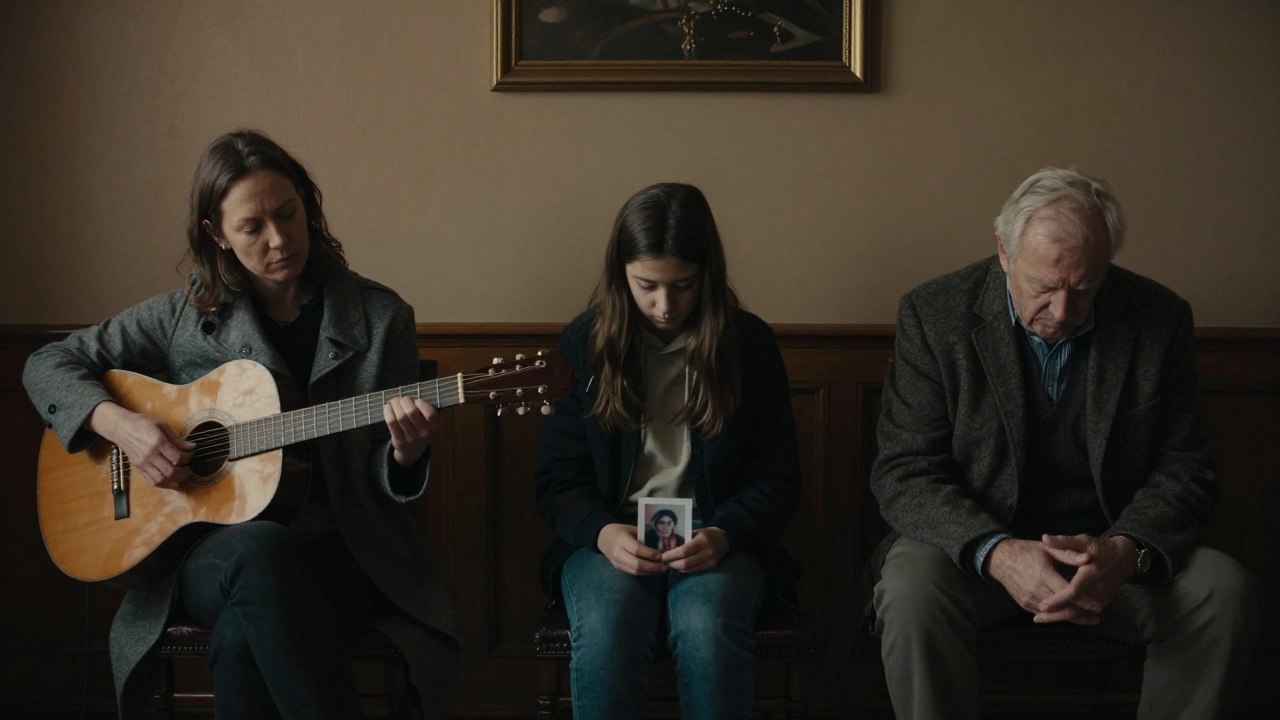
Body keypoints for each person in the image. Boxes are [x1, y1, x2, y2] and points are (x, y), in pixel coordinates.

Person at [23, 130, 462, 720]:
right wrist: (122, 426)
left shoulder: (381, 318)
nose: (279, 239)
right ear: (218, 235)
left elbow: (385, 474)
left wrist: (406, 455)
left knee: (240, 634)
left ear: (308, 204)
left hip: (345, 555)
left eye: (288, 214)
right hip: (206, 557)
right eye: (252, 227)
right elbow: (47, 364)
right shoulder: (184, 316)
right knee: (260, 549)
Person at [867, 166, 1262, 720]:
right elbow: (905, 471)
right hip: (974, 558)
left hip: (1112, 561)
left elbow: (1186, 468)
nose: (1062, 311)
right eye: (1044, 287)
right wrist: (998, 553)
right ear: (1004, 252)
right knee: (910, 590)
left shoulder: (1160, 318)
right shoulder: (934, 315)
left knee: (1224, 590)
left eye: (1084, 288)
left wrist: (1125, 551)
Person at [534, 182, 802, 720]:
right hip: (612, 534)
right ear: (621, 276)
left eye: (683, 286)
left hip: (718, 533)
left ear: (708, 275)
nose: (664, 305)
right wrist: (603, 534)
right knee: (608, 628)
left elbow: (777, 478)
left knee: (707, 627)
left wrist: (725, 533)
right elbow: (557, 479)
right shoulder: (585, 343)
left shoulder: (748, 344)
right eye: (647, 286)